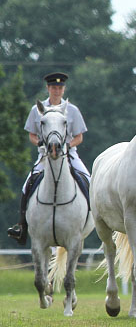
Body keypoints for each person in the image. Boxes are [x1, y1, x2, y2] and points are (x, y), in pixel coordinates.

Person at [7, 72, 90, 244]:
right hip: (45, 156)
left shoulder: (72, 110)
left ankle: (93, 219)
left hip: (69, 155)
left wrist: (66, 147)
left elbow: (79, 137)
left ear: (63, 89)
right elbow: (32, 135)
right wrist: (40, 145)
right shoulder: (36, 110)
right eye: (53, 87)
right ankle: (21, 227)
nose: (57, 90)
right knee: (27, 185)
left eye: (60, 88)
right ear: (48, 88)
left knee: (89, 181)